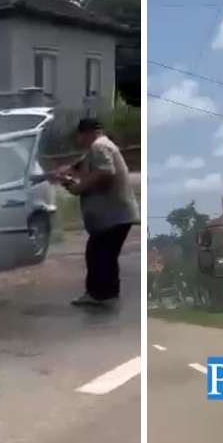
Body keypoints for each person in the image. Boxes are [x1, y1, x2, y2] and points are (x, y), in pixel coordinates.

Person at [53, 118, 138, 308]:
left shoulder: (99, 147)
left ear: (87, 133)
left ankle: (96, 294)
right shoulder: (104, 145)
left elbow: (105, 172)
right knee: (106, 256)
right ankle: (108, 294)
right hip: (118, 215)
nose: (78, 140)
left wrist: (78, 187)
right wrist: (69, 171)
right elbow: (86, 162)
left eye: (80, 136)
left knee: (96, 254)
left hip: (112, 216)